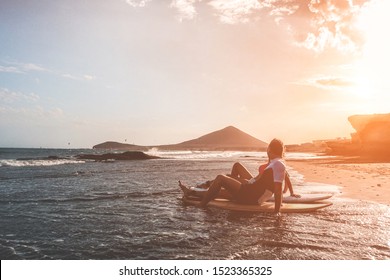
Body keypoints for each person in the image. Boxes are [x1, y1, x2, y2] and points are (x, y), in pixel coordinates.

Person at [180, 138, 288, 215]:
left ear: (270, 149)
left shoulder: (278, 164)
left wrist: (277, 212)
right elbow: (273, 186)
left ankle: (202, 205)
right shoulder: (276, 162)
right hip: (251, 193)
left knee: (220, 178)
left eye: (268, 148)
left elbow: (278, 189)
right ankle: (190, 192)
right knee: (220, 192)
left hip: (251, 196)